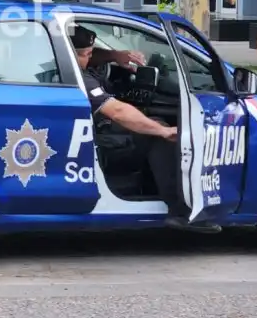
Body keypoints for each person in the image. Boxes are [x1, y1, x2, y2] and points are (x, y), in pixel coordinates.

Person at [69, 25, 218, 232]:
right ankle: (179, 210)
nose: (90, 58)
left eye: (92, 53)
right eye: (87, 55)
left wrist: (116, 55)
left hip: (97, 130)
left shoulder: (70, 64)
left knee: (150, 122)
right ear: (72, 55)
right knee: (157, 133)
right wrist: (162, 131)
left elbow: (87, 55)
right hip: (100, 138)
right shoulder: (81, 79)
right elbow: (118, 111)